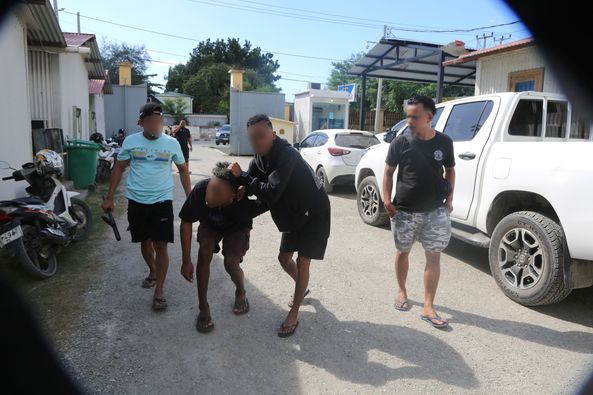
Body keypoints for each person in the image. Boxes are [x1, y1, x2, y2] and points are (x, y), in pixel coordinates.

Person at [228, 114, 331, 338]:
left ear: (273, 135)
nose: (257, 142)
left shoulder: (288, 155)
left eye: (261, 137)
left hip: (315, 211)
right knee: (284, 259)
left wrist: (245, 178)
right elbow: (254, 189)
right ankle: (302, 288)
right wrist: (242, 188)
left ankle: (294, 313)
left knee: (303, 262)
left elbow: (270, 193)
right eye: (252, 138)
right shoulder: (258, 160)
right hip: (293, 213)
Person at [101, 103, 192, 311]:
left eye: (159, 121)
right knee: (145, 241)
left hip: (162, 200)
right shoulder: (131, 142)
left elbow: (183, 170)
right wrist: (109, 197)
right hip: (137, 200)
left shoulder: (171, 143)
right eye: (150, 121)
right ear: (141, 122)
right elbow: (119, 168)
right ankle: (153, 270)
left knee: (161, 245)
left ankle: (159, 290)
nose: (156, 125)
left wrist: (190, 197)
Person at [382, 95, 455, 329]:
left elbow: (450, 170)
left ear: (429, 117)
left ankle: (428, 305)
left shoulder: (444, 142)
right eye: (408, 116)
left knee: (434, 256)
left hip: (435, 211)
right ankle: (402, 291)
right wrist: (386, 201)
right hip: (404, 211)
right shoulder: (400, 142)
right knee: (402, 252)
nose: (409, 120)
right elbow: (388, 172)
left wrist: (449, 198)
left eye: (414, 116)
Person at [179, 162, 268, 333]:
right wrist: (186, 260)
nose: (209, 197)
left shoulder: (244, 207)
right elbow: (186, 221)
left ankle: (241, 291)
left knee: (231, 262)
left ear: (232, 196)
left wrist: (249, 187)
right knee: (204, 251)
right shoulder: (201, 190)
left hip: (237, 227)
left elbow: (271, 198)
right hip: (210, 225)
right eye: (211, 188)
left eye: (217, 193)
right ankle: (203, 307)